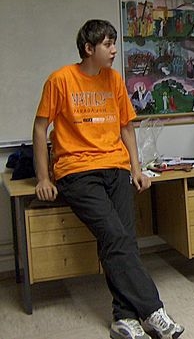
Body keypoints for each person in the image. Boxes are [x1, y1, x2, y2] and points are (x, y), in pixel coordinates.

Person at [32, 20, 184, 339]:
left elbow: (126, 127)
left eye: (114, 43)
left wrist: (136, 169)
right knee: (115, 235)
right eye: (107, 44)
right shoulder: (60, 80)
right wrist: (44, 177)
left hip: (115, 167)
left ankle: (123, 318)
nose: (114, 50)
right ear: (89, 49)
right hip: (76, 171)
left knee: (124, 238)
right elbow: (40, 127)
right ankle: (153, 310)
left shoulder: (114, 79)